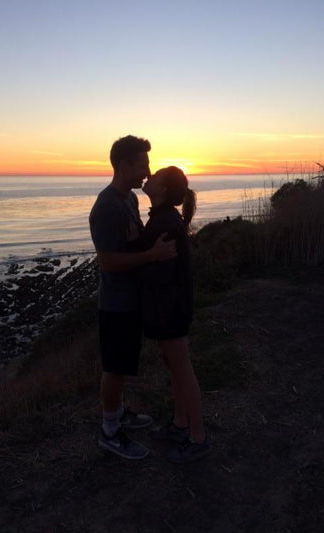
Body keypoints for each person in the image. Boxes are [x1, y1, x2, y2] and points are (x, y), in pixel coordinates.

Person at [89, 135, 176, 460]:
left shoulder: (130, 201)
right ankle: (109, 431)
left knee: (123, 364)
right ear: (124, 165)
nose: (147, 172)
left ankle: (119, 412)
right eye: (142, 165)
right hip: (115, 303)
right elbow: (108, 261)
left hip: (131, 299)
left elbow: (133, 242)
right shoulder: (107, 206)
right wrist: (152, 255)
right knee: (114, 367)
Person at [141, 166, 210, 463]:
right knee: (174, 366)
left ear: (164, 190)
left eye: (154, 176)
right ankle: (181, 423)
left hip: (170, 309)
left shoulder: (164, 222)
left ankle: (198, 437)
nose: (148, 177)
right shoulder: (163, 218)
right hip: (169, 307)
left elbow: (158, 271)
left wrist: (135, 248)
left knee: (182, 369)